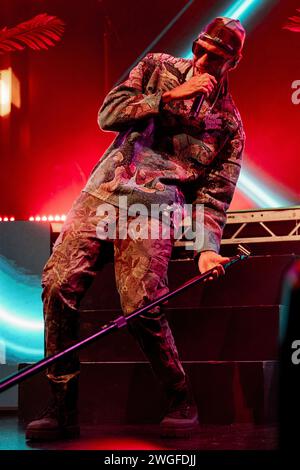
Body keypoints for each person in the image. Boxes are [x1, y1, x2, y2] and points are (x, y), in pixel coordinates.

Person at [25, 16, 246, 441]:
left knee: (141, 303)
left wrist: (205, 248)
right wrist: (168, 96)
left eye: (215, 57)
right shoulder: (157, 67)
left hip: (156, 207)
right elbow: (107, 114)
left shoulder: (230, 127)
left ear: (232, 62)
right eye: (200, 49)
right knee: (57, 284)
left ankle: (179, 394)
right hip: (105, 192)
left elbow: (214, 197)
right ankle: (61, 403)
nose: (201, 60)